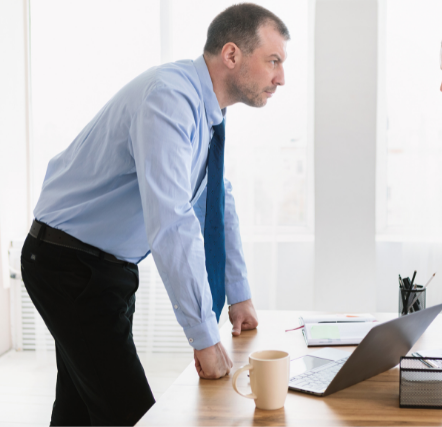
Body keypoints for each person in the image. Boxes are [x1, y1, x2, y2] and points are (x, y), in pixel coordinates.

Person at [20, 3, 289, 425]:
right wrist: (202, 337)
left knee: (80, 410)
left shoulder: (206, 113)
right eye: (273, 61)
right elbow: (172, 221)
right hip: (68, 265)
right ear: (233, 55)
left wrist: (239, 294)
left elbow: (217, 202)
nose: (280, 78)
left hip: (103, 270)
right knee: (132, 413)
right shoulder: (170, 98)